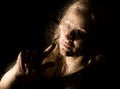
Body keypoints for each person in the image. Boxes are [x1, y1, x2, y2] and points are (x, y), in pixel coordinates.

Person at [0, 0, 105, 89]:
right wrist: (17, 72)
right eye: (67, 25)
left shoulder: (87, 81)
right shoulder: (50, 60)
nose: (69, 35)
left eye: (80, 32)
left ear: (94, 41)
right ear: (61, 23)